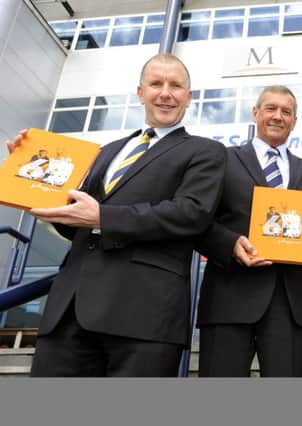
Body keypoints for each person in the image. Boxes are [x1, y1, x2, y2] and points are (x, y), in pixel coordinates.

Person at [4, 53, 226, 376]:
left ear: (188, 97)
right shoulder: (105, 152)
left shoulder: (205, 151)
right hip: (69, 313)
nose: (165, 93)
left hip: (143, 319)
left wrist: (103, 218)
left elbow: (191, 213)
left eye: (175, 85)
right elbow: (78, 221)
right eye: (156, 84)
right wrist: (28, 180)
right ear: (140, 93)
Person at [196, 85, 302, 377]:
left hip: (289, 305)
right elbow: (199, 222)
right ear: (255, 113)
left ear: (294, 121)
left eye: (286, 112)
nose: (278, 116)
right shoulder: (222, 159)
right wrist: (231, 245)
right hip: (229, 299)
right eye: (270, 108)